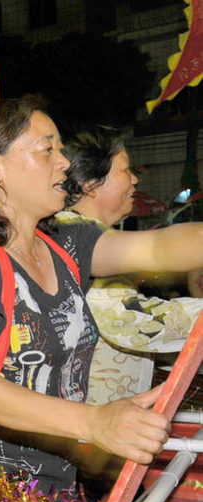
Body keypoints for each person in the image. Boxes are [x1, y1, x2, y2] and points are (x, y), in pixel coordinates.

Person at [0, 95, 203, 495]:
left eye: (61, 150)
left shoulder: (67, 243)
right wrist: (93, 422)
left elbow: (156, 249)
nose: (65, 162)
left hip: (57, 486)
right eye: (46, 149)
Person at [58, 126, 203, 406]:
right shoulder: (69, 237)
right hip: (86, 427)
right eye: (125, 171)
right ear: (91, 185)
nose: (135, 179)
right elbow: (130, 321)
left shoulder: (88, 237)